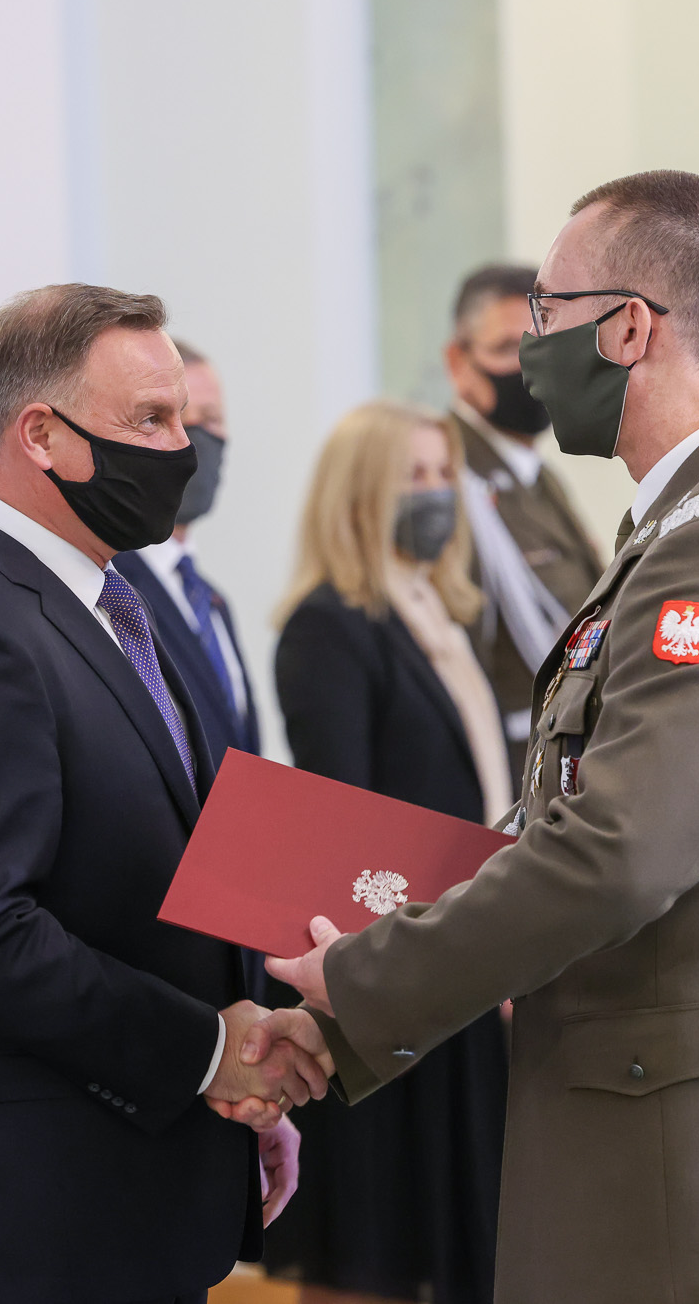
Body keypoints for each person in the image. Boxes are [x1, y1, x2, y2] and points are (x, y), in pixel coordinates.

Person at [255, 171, 699, 1304]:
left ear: (627, 328)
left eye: (546, 313)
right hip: (690, 1162)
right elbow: (574, 806)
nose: (531, 349)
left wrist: (368, 977)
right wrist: (372, 996)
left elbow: (618, 849)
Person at [0, 284, 329, 1304]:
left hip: (135, 1177)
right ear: (41, 435)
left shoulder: (103, 597)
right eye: (150, 420)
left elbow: (146, 878)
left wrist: (236, 1087)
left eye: (183, 418)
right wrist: (206, 1052)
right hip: (36, 1213)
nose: (181, 450)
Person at [260, 399, 511, 1304]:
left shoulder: (441, 612)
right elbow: (348, 822)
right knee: (386, 1249)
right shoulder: (329, 625)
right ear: (359, 493)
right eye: (412, 477)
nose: (435, 494)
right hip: (394, 968)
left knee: (463, 1243)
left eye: (443, 475)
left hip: (458, 955)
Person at [445, 264, 602, 774]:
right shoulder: (446, 475)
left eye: (542, 345)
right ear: (458, 362)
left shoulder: (537, 474)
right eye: (507, 348)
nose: (528, 365)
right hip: (510, 770)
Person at [113, 340, 261, 761]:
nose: (193, 440)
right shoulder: (111, 590)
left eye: (210, 419)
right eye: (167, 419)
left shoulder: (211, 601)